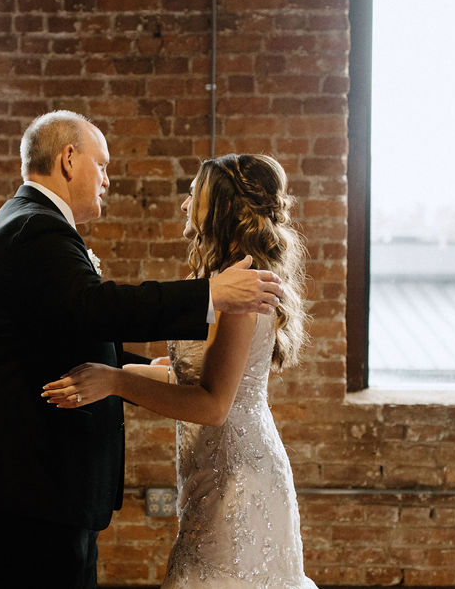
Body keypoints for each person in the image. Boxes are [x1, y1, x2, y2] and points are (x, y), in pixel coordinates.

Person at [0, 111, 285, 589]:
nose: (108, 180)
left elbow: (72, 333)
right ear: (69, 160)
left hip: (40, 483)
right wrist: (210, 295)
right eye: (102, 165)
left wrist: (131, 372)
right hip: (32, 481)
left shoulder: (29, 222)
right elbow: (95, 308)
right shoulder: (36, 230)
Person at [43, 153, 317, 588]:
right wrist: (101, 371)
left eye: (193, 195)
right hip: (210, 473)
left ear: (220, 207)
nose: (184, 205)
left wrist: (114, 381)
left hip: (238, 480)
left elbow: (212, 405)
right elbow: (183, 376)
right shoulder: (225, 279)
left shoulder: (241, 293)